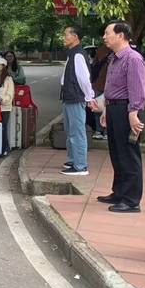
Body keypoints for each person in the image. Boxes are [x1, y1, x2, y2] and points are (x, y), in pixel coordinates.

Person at [98, 20, 145, 213]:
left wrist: (134, 113)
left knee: (128, 154)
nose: (104, 37)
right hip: (114, 109)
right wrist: (106, 109)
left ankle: (131, 200)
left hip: (127, 111)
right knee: (117, 153)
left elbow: (137, 89)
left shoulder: (132, 58)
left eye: (107, 33)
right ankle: (119, 192)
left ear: (120, 35)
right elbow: (112, 87)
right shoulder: (114, 58)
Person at [59, 26, 97, 176]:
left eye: (66, 34)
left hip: (75, 97)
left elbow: (84, 79)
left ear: (75, 37)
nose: (64, 37)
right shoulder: (73, 53)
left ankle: (80, 166)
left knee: (77, 132)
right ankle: (72, 160)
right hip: (69, 96)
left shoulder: (78, 55)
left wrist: (89, 97)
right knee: (70, 131)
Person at [88, 45, 110, 140]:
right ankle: (104, 131)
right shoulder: (111, 54)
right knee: (103, 109)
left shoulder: (102, 53)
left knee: (97, 109)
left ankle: (99, 130)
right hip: (103, 86)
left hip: (100, 85)